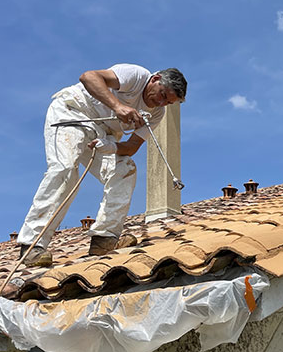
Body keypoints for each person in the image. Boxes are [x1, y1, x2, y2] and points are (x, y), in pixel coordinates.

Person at [18, 64, 187, 266]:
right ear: (155, 79)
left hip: (103, 133)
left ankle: (105, 238)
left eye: (168, 102)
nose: (160, 103)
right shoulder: (136, 75)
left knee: (126, 169)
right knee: (65, 169)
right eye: (162, 95)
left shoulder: (157, 112)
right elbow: (88, 77)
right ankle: (32, 245)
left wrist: (110, 146)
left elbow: (131, 147)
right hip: (72, 113)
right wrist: (118, 106)